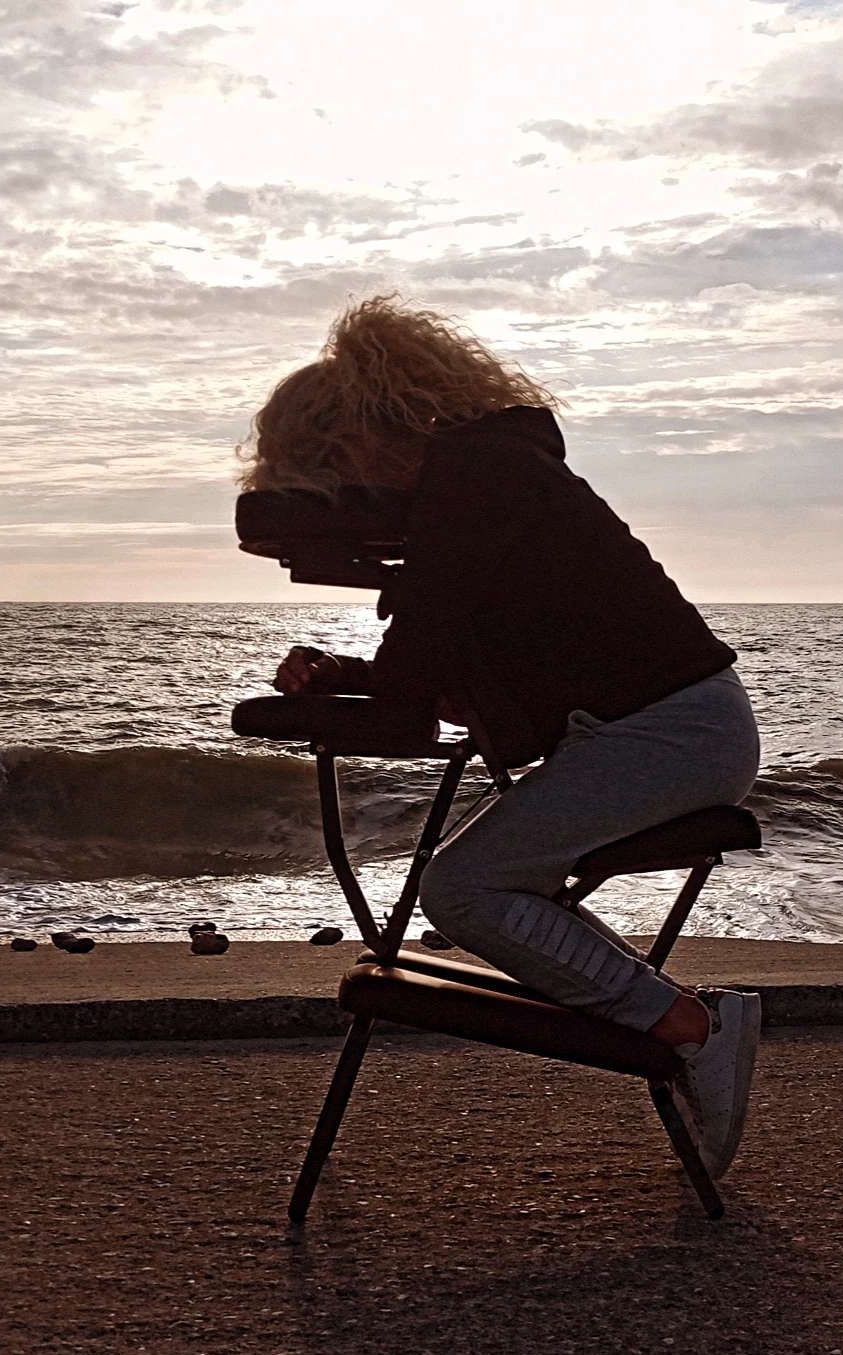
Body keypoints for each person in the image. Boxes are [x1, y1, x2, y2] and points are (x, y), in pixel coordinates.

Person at [241, 295, 763, 1180]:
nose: (348, 496)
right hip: (670, 726)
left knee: (465, 889)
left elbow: (418, 677)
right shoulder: (488, 475)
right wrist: (343, 672)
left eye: (334, 473)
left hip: (670, 733)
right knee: (486, 883)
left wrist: (360, 686)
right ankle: (684, 1019)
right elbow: (437, 655)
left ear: (362, 439)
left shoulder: (473, 478)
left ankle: (690, 1026)